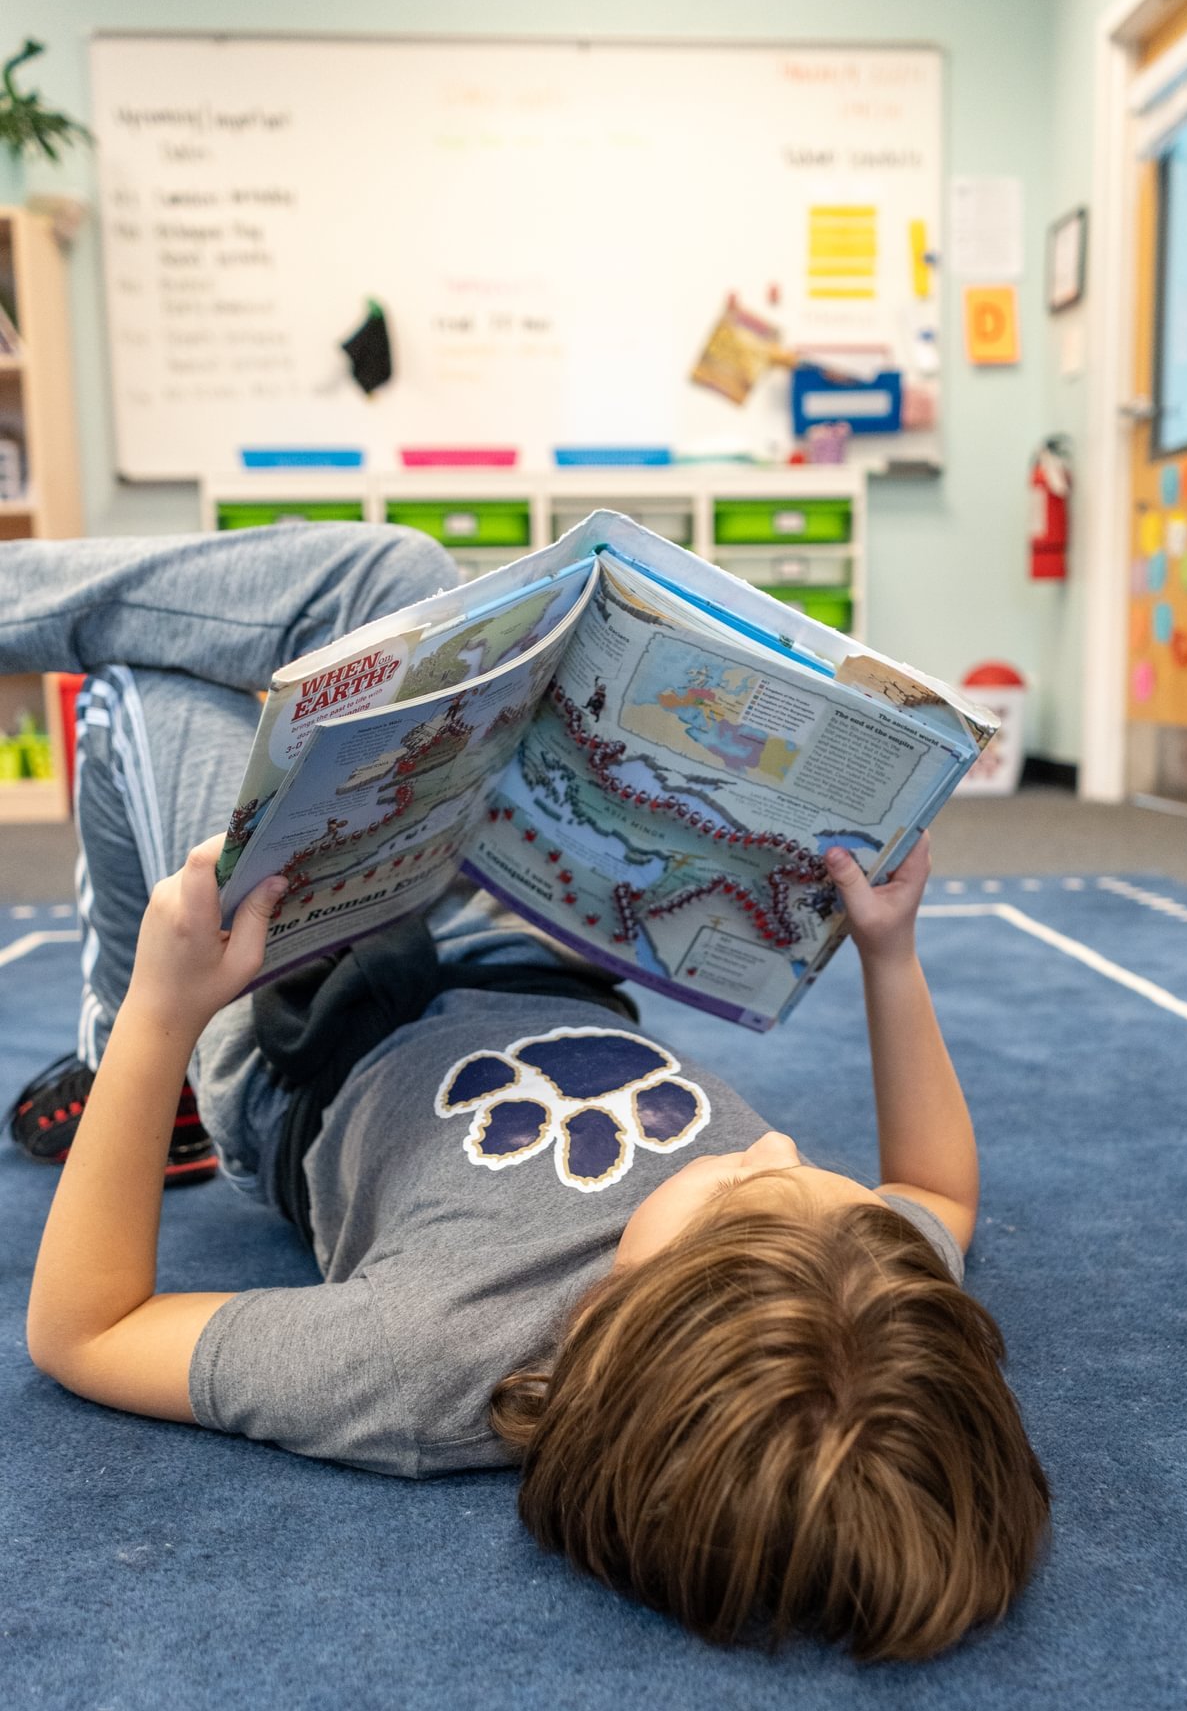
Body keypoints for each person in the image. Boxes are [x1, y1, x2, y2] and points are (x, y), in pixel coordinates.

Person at [2, 523, 1049, 1663]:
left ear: (616, 1325)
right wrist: (891, 956)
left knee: (144, 693)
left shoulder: (427, 1364)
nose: (782, 1147)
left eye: (743, 1198)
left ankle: (111, 1065)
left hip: (288, 1022)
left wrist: (164, 1014)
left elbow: (85, 1331)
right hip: (519, 944)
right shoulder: (854, 1300)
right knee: (403, 587)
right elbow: (935, 1190)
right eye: (829, 1192)